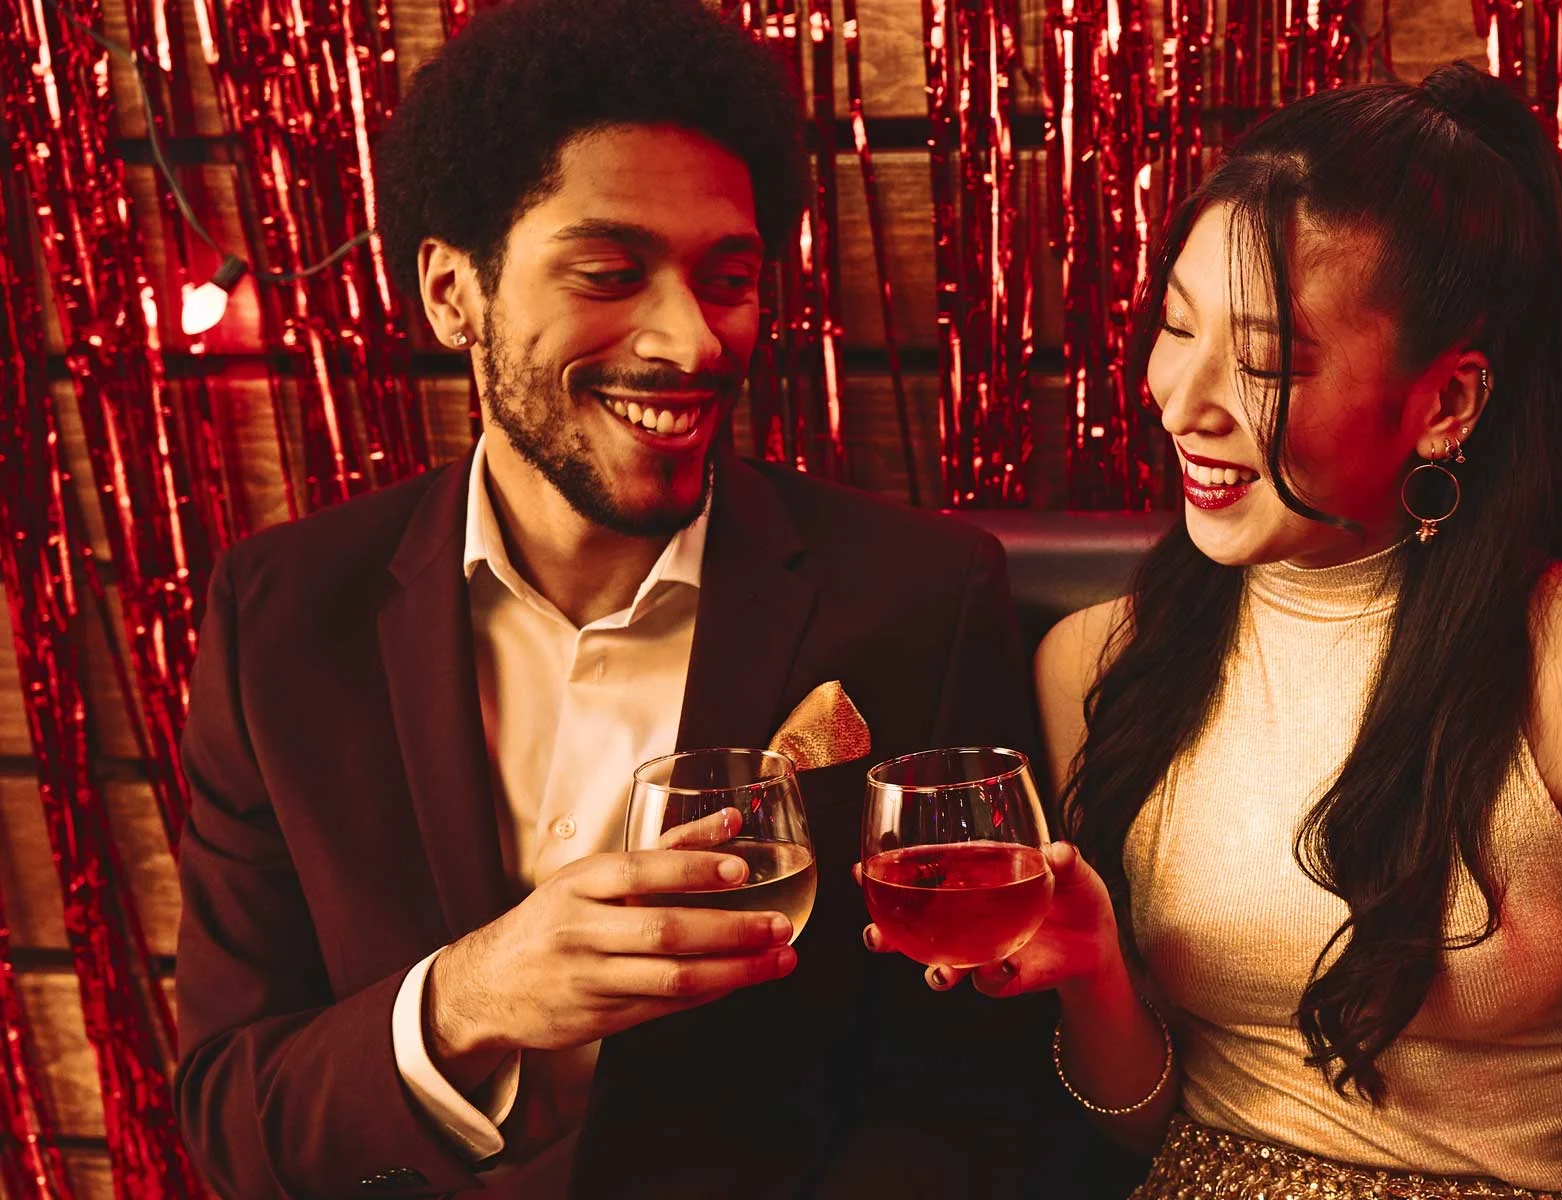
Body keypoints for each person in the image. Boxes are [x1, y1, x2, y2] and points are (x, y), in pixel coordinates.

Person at [172, 1, 1089, 1195]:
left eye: (728, 280)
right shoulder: (281, 615)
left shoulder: (920, 595)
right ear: (453, 293)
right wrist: (468, 1000)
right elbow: (232, 1116)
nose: (691, 342)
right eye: (609, 273)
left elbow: (969, 1098)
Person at [865, 62, 1562, 1199]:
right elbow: (1141, 1134)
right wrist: (1099, 970)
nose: (1181, 401)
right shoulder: (1099, 664)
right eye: (1175, 327)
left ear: (1445, 405)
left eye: (1264, 361)